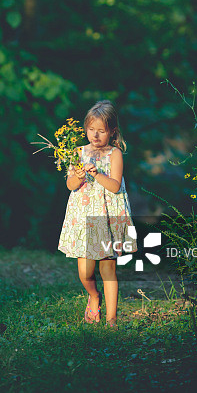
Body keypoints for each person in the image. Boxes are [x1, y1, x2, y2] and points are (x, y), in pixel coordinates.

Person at [58, 100, 137, 328]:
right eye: (91, 129)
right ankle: (94, 296)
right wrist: (81, 175)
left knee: (107, 268)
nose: (95, 135)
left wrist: (97, 174)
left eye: (101, 131)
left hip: (107, 215)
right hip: (82, 215)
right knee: (85, 271)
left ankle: (111, 320)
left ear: (112, 131)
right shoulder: (77, 152)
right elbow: (70, 185)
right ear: (86, 128)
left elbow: (114, 186)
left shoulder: (115, 153)